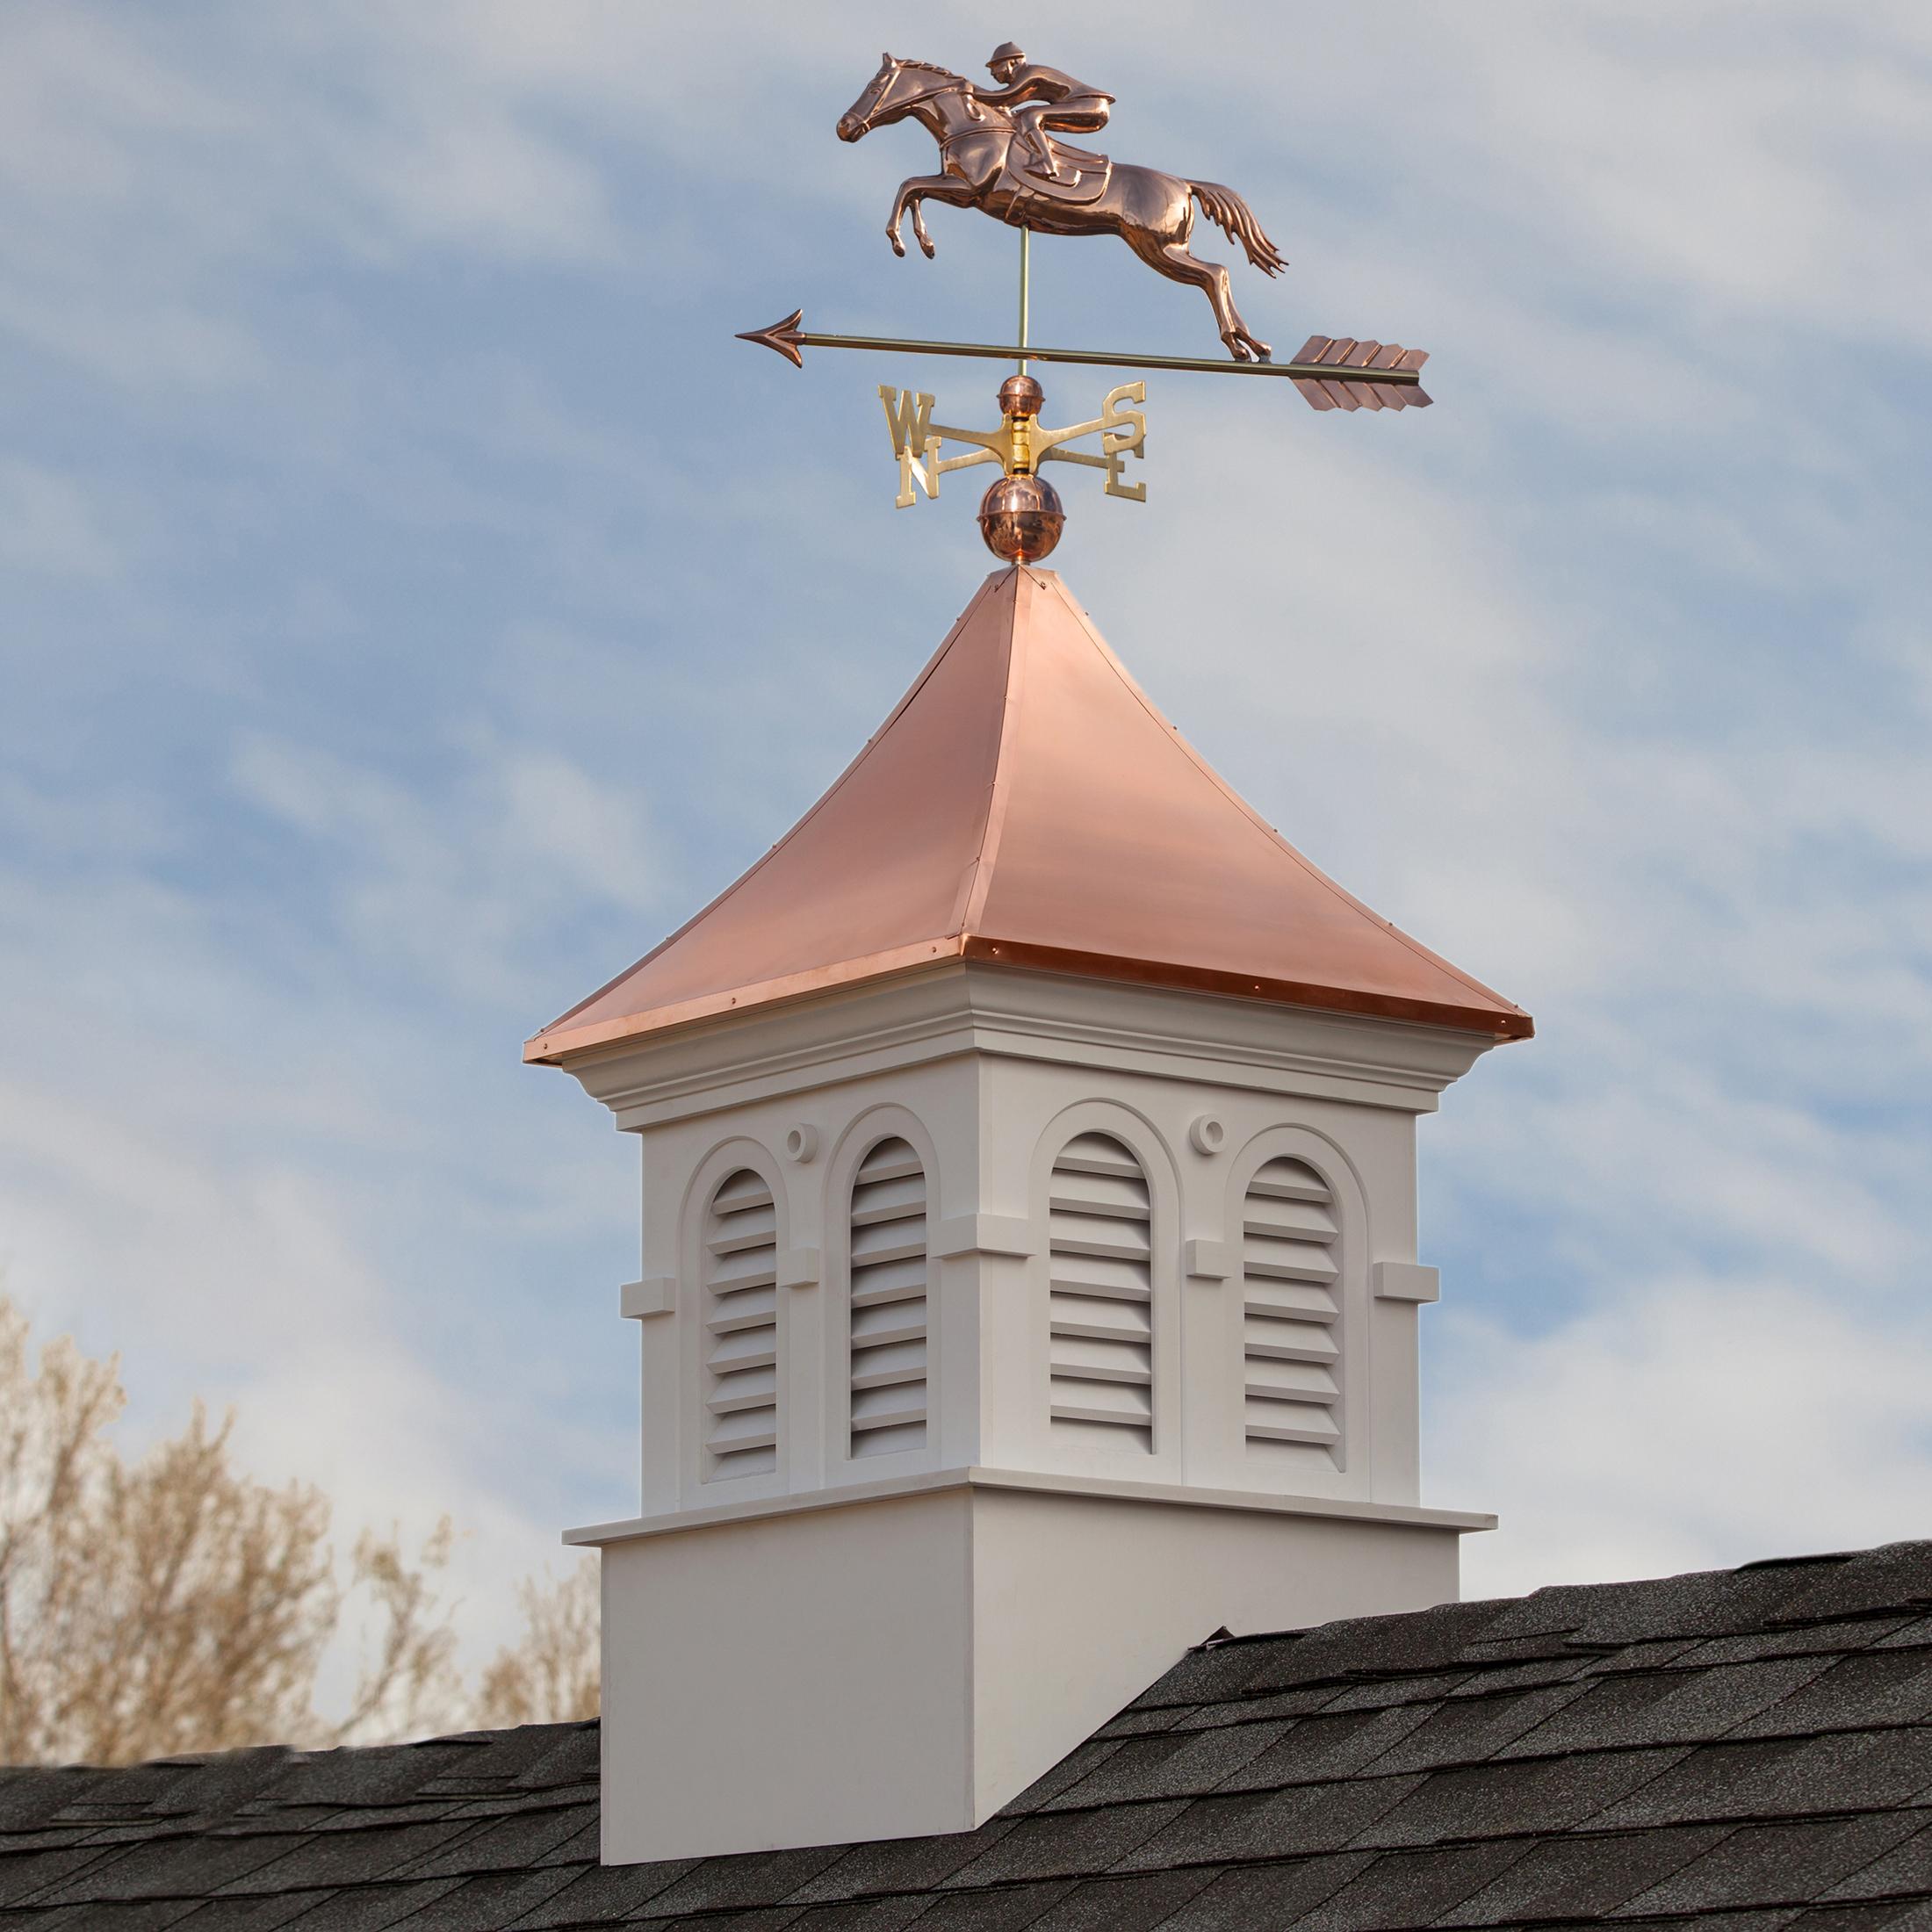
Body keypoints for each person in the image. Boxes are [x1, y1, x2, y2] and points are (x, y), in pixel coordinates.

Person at [975, 42, 1115, 184]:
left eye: (996, 66)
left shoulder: (1031, 73)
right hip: (1087, 106)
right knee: (1022, 117)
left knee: (1031, 116)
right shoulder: (1025, 77)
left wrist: (970, 90)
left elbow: (1004, 97)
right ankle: (1041, 155)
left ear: (1013, 62)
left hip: (1090, 104)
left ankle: (1046, 163)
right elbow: (1006, 105)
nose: (993, 73)